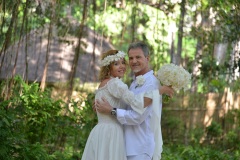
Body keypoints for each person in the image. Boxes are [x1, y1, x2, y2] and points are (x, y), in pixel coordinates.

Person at [81, 49, 173, 160]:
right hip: (112, 134)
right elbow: (138, 103)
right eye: (116, 64)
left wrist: (110, 109)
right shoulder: (115, 83)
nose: (122, 66)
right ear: (108, 67)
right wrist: (159, 91)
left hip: (100, 132)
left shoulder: (103, 84)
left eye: (123, 62)